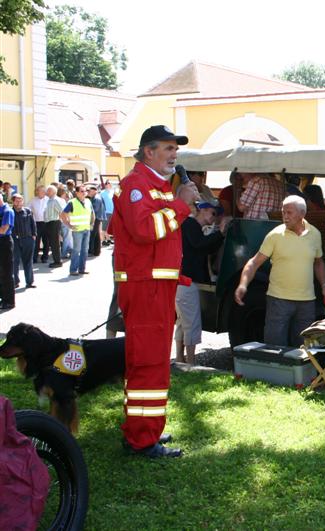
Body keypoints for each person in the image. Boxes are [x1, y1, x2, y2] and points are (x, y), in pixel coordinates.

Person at [109, 124, 193, 458]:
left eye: (176, 149)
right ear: (148, 151)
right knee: (148, 363)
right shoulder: (136, 185)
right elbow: (145, 230)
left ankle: (145, 429)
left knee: (154, 361)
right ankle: (142, 439)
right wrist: (182, 206)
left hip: (156, 286)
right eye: (168, 148)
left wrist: (181, 206)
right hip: (146, 287)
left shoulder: (156, 185)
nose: (174, 155)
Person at [235, 195, 325, 347]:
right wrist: (243, 284)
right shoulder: (275, 235)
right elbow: (254, 263)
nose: (285, 217)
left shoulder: (315, 234)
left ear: (302, 214)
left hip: (307, 303)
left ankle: (302, 373)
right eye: (283, 212)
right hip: (278, 301)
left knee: (305, 349)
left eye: (289, 213)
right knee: (274, 348)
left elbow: (318, 262)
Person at [175, 200, 227, 365]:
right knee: (191, 321)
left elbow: (205, 247)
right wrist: (220, 233)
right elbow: (200, 245)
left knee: (183, 321)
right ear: (202, 210)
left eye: (216, 215)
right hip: (186, 281)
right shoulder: (190, 225)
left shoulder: (193, 227)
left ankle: (180, 358)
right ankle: (190, 362)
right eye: (213, 213)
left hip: (185, 280)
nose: (214, 217)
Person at [61, 185, 94, 276]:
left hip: (86, 229)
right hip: (77, 230)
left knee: (85, 250)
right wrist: (68, 224)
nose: (84, 193)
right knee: (76, 250)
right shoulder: (72, 202)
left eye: (85, 191)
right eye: (82, 191)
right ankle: (73, 270)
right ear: (77, 193)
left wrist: (91, 224)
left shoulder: (88, 201)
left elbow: (92, 214)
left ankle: (82, 269)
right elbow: (63, 214)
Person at [11, 194, 36, 289]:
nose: (19, 203)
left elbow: (33, 224)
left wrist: (34, 235)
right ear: (13, 202)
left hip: (27, 239)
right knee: (14, 261)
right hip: (14, 240)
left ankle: (29, 282)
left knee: (28, 261)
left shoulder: (27, 211)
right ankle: (15, 282)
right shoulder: (10, 212)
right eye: (17, 201)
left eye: (21, 200)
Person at [0, 194, 15, 310]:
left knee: (6, 272)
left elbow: (4, 229)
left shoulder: (7, 211)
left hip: (4, 242)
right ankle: (2, 298)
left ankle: (9, 301)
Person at [43, 185, 63, 268]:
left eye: (49, 190)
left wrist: (63, 221)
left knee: (55, 243)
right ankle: (56, 260)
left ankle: (58, 261)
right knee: (52, 242)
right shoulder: (49, 200)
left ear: (53, 192)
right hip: (49, 223)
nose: (47, 192)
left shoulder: (55, 200)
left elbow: (62, 211)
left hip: (54, 222)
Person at [29, 185, 48, 262]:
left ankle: (45, 257)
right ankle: (34, 258)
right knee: (36, 241)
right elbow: (27, 209)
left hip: (46, 223)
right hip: (36, 223)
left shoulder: (48, 200)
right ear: (37, 192)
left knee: (46, 241)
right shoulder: (33, 200)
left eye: (44, 191)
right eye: (41, 191)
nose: (43, 192)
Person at [87, 185, 105, 257]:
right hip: (97, 217)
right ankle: (96, 251)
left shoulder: (96, 198)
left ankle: (91, 251)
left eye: (89, 191)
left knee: (93, 235)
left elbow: (94, 210)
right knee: (96, 235)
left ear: (94, 191)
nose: (88, 192)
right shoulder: (95, 197)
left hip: (96, 218)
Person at [56, 187, 72, 260]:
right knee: (66, 237)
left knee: (66, 237)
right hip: (64, 221)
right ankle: (64, 253)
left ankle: (69, 250)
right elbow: (64, 212)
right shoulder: (61, 200)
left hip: (60, 221)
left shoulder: (57, 200)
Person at [99, 181, 115, 245]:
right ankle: (103, 240)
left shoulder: (112, 192)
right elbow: (100, 203)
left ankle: (108, 239)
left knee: (108, 227)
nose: (108, 185)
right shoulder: (102, 193)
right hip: (106, 212)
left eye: (109, 184)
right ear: (105, 185)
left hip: (112, 212)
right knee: (104, 227)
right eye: (107, 184)